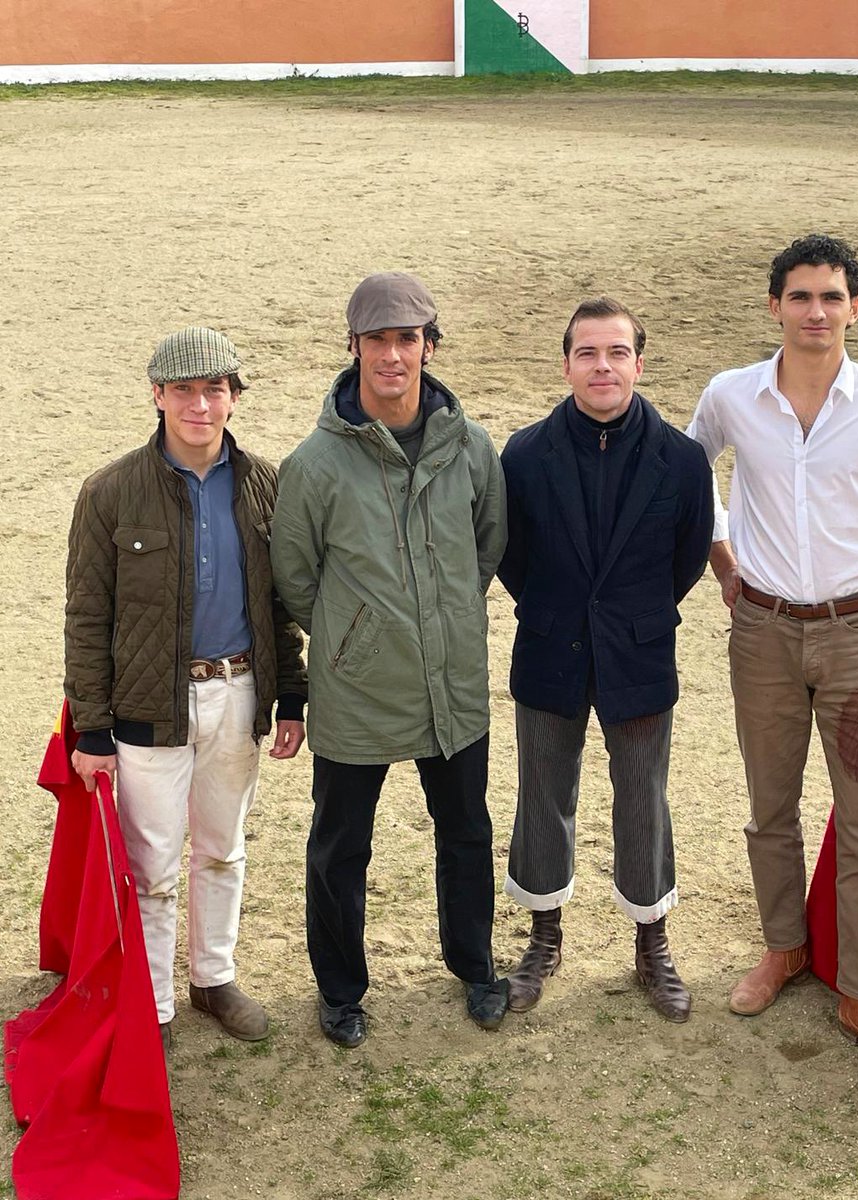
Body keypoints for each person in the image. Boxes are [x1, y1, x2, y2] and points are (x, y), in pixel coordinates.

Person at [685, 234, 858, 1081]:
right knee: (770, 804)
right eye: (800, 297)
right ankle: (784, 947)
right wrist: (725, 565)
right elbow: (692, 486)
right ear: (774, 307)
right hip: (760, 629)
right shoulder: (731, 395)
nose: (816, 312)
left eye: (832, 297)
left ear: (855, 309)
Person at [270, 272, 509, 1048]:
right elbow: (296, 577)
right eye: (378, 340)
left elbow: (486, 544)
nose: (393, 355)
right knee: (341, 846)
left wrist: (441, 622)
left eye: (408, 339)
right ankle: (340, 989)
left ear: (429, 348)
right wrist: (355, 636)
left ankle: (474, 966)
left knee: (467, 830)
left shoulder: (471, 447)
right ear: (354, 349)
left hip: (454, 684)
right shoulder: (315, 463)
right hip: (358, 689)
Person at [65, 327, 308, 1051]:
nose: (200, 405)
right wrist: (90, 727)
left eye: (215, 390)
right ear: (157, 395)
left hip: (237, 695)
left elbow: (281, 604)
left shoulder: (268, 483)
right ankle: (155, 1003)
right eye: (183, 391)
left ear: (234, 398)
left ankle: (214, 977)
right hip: (147, 707)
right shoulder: (108, 492)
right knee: (152, 866)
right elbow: (87, 614)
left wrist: (290, 695)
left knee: (223, 850)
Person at [497, 297, 714, 1022]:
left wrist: (632, 616)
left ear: (638, 363)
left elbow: (685, 559)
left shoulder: (682, 461)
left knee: (643, 799)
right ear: (566, 365)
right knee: (543, 797)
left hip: (640, 651)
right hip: (549, 646)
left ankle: (651, 940)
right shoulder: (524, 455)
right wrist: (562, 611)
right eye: (588, 353)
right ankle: (543, 934)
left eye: (617, 352)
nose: (603, 366)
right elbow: (512, 558)